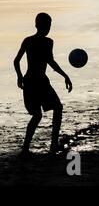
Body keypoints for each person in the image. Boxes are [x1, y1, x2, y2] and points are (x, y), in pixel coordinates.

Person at [14, 13, 73, 157]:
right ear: (43, 26)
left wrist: (20, 77)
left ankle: (26, 148)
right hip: (39, 81)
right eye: (48, 25)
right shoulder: (47, 42)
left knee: (37, 115)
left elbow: (16, 61)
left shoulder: (28, 40)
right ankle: (52, 145)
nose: (49, 27)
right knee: (55, 108)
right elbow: (50, 61)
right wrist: (65, 76)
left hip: (30, 81)